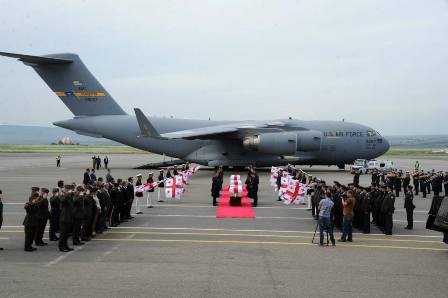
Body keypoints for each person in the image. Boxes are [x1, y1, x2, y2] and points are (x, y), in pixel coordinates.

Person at [59, 185, 74, 252]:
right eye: (69, 189)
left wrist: (69, 193)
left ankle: (66, 246)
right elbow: (63, 200)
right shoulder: (63, 196)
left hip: (69, 217)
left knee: (66, 234)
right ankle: (61, 247)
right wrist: (66, 193)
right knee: (63, 234)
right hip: (64, 218)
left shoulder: (69, 196)